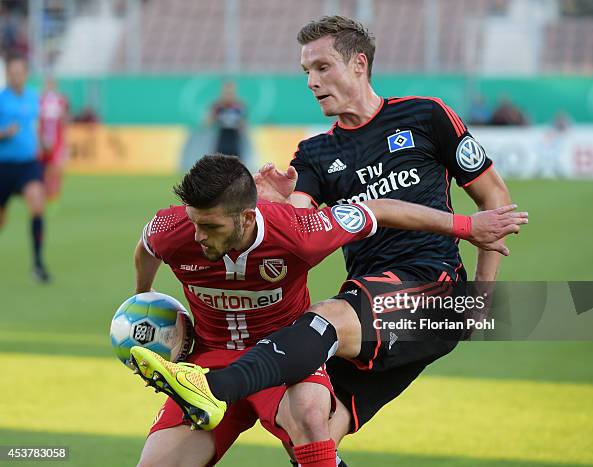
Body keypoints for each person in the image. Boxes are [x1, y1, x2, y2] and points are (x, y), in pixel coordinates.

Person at [131, 15, 524, 463]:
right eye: (306, 72)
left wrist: (481, 294)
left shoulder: (426, 115)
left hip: (431, 287)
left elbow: (494, 198)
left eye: (322, 67)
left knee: (324, 320)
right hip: (367, 307)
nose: (312, 82)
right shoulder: (316, 153)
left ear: (359, 64)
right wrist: (269, 199)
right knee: (313, 428)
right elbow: (295, 225)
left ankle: (215, 387)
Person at [0, 53, 49, 282]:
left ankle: (38, 265)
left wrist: (42, 142)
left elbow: (34, 126)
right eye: (13, 73)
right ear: (8, 74)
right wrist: (3, 133)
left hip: (29, 164)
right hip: (4, 166)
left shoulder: (32, 97)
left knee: (37, 205)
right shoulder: (1, 99)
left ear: (25, 74)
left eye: (21, 72)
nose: (17, 76)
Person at [39, 76, 69, 201]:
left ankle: (55, 191)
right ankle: (46, 190)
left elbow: (65, 119)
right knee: (44, 166)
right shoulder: (39, 100)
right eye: (48, 83)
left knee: (56, 166)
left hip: (57, 140)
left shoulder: (61, 100)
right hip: (43, 139)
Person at [207, 81, 246, 159]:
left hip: (234, 137)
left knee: (236, 162)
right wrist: (214, 114)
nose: (228, 96)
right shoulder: (218, 106)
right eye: (226, 93)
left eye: (230, 93)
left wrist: (239, 124)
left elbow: (243, 125)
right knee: (218, 161)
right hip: (222, 135)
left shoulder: (239, 106)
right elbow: (208, 122)